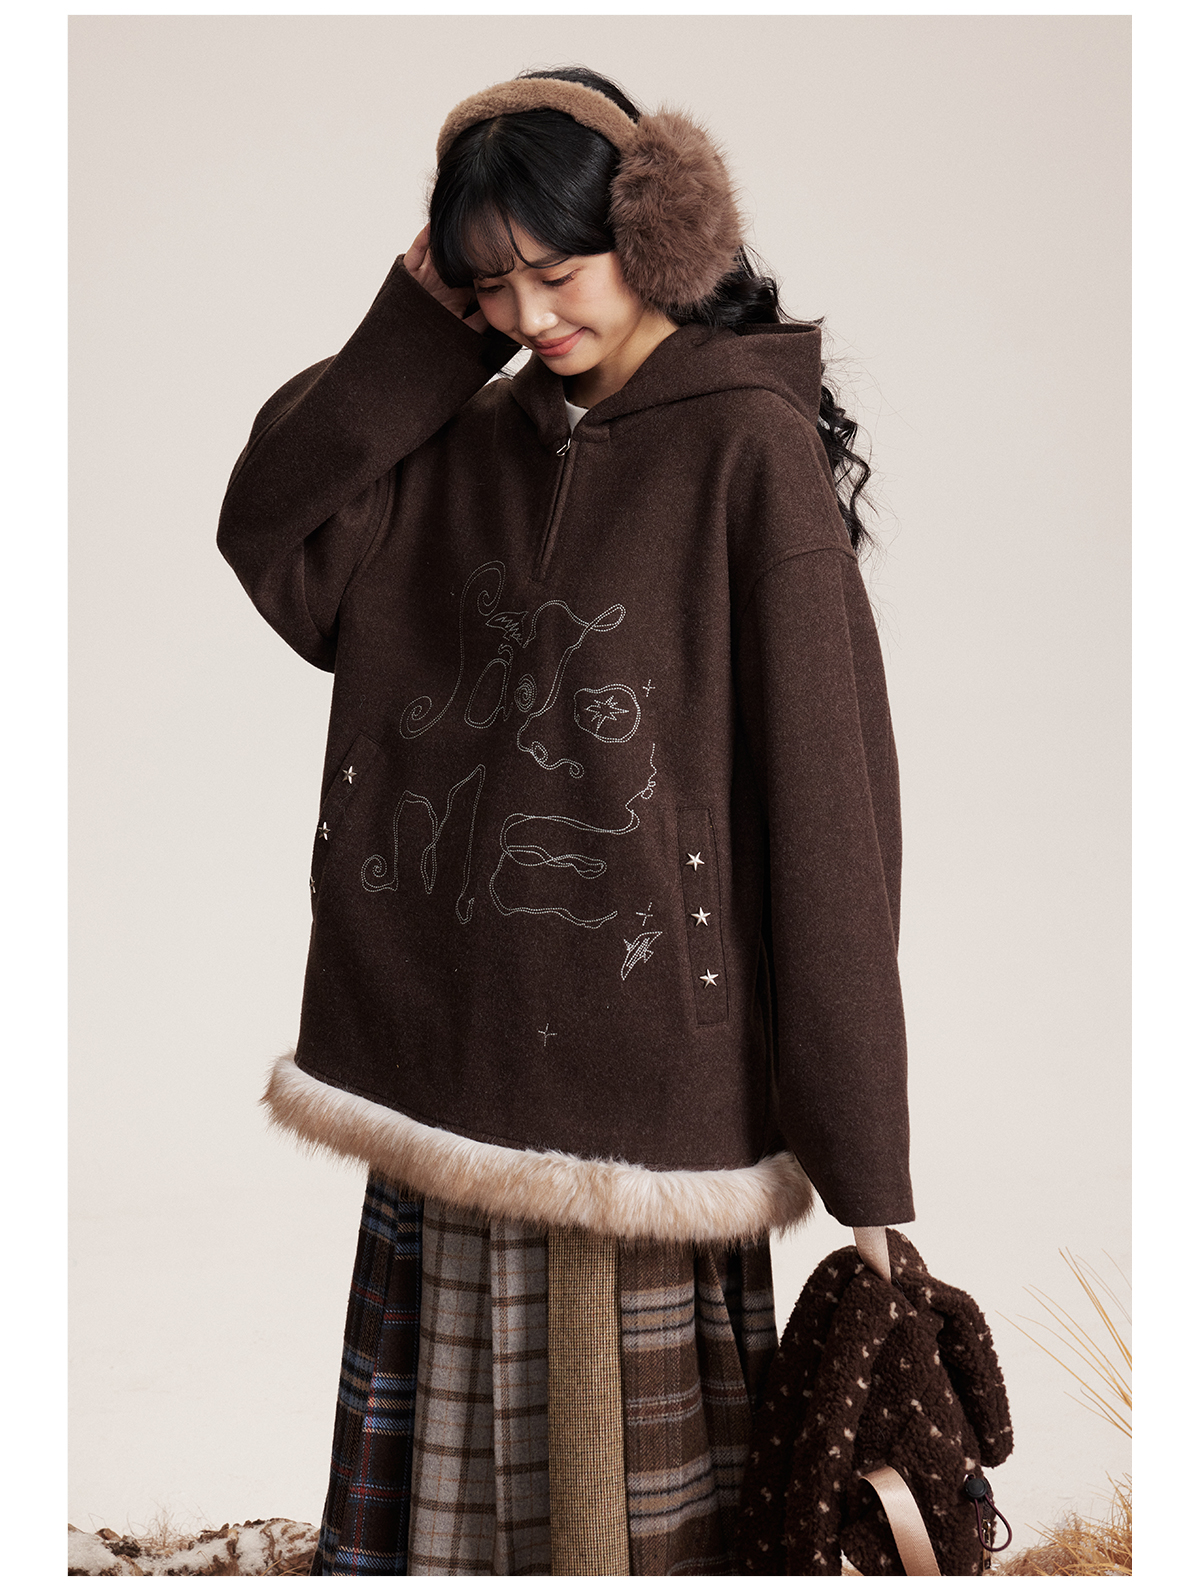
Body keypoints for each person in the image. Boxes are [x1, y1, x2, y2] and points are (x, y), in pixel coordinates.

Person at [217, 65, 913, 1577]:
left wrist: (867, 1172)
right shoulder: (465, 440)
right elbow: (271, 530)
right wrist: (415, 338)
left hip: (645, 1087)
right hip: (444, 1055)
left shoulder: (749, 450)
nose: (529, 315)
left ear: (657, 234)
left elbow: (831, 814)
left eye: (558, 267)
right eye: (489, 285)